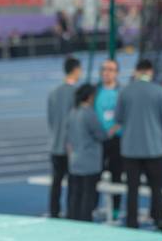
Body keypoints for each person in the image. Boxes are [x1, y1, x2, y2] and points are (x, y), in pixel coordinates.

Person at [114, 59, 162, 229]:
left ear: (136, 71)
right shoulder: (159, 91)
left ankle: (132, 223)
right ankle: (159, 220)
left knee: (132, 189)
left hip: (130, 149)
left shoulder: (125, 91)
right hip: (153, 148)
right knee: (156, 188)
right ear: (150, 71)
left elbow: (118, 118)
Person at [47, 56, 82, 217]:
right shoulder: (77, 93)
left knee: (56, 181)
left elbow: (51, 119)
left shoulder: (54, 92)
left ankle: (54, 212)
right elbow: (75, 122)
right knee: (73, 182)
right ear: (75, 70)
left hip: (55, 144)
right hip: (70, 146)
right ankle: (71, 213)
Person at [67, 84, 106, 222]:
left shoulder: (73, 112)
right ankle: (85, 222)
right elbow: (101, 135)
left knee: (75, 195)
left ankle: (73, 221)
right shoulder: (89, 113)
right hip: (89, 162)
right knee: (88, 196)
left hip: (75, 160)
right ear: (90, 97)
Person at [94, 59, 122, 218]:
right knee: (95, 174)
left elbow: (126, 115)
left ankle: (116, 209)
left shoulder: (121, 92)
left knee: (116, 175)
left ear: (116, 73)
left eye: (110, 69)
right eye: (104, 69)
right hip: (99, 140)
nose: (107, 72)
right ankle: (93, 206)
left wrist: (115, 128)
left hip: (117, 140)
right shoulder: (95, 92)